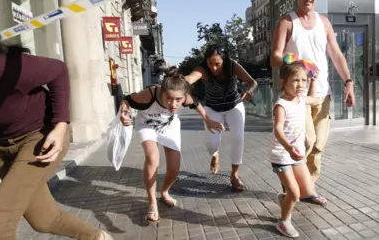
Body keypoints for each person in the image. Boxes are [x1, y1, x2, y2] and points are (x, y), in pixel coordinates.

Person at [0, 13, 112, 240]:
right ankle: (96, 237)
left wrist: (60, 125)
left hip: (40, 137)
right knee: (44, 219)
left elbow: (57, 70)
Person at [271, 0, 355, 203]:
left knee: (317, 145)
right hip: (296, 95)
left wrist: (349, 81)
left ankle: (308, 189)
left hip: (322, 93)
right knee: (305, 141)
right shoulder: (287, 22)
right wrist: (295, 61)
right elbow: (275, 58)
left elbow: (336, 54)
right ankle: (291, 187)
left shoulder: (324, 22)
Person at [119, 66, 224, 222]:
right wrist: (124, 111)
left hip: (169, 125)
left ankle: (165, 192)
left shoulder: (185, 97)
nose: (173, 104)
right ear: (162, 91)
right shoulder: (149, 94)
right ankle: (152, 202)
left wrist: (208, 120)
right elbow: (127, 99)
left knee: (174, 169)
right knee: (152, 157)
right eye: (169, 98)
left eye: (178, 100)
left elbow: (195, 103)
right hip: (147, 124)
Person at [184, 45, 258, 192]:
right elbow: (190, 78)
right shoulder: (203, 68)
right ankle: (215, 154)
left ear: (224, 60)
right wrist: (179, 82)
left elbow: (253, 82)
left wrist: (250, 91)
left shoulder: (232, 65)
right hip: (212, 108)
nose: (214, 67)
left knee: (238, 138)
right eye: (210, 63)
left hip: (234, 106)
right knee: (212, 144)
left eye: (217, 63)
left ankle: (234, 175)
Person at [271, 61, 326, 238]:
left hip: (296, 154)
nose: (301, 84)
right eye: (295, 80)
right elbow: (278, 129)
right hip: (281, 154)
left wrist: (314, 80)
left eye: (303, 80)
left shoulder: (301, 100)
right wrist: (288, 148)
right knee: (295, 194)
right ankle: (283, 222)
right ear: (283, 82)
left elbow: (313, 98)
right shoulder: (281, 105)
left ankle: (285, 198)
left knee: (307, 191)